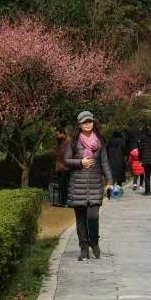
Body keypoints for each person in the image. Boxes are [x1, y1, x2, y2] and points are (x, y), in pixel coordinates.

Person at [65, 110, 113, 260]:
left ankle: (94, 242)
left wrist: (110, 182)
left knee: (93, 217)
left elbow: (104, 163)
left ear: (93, 123)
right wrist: (81, 162)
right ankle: (83, 248)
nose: (87, 124)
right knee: (80, 221)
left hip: (94, 185)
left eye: (90, 121)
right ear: (79, 124)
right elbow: (66, 160)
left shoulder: (99, 141)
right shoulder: (73, 141)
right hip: (77, 185)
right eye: (84, 122)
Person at [106, 127, 128, 194]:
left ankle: (110, 191)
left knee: (112, 177)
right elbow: (125, 152)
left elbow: (106, 151)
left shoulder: (109, 141)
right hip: (120, 161)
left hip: (111, 161)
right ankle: (118, 191)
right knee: (119, 178)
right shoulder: (122, 141)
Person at [52, 128, 70, 207]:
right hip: (59, 167)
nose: (57, 136)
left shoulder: (69, 141)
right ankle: (61, 202)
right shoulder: (59, 142)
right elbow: (56, 152)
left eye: (57, 134)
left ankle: (65, 202)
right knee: (60, 186)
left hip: (66, 167)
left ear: (62, 133)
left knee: (65, 185)